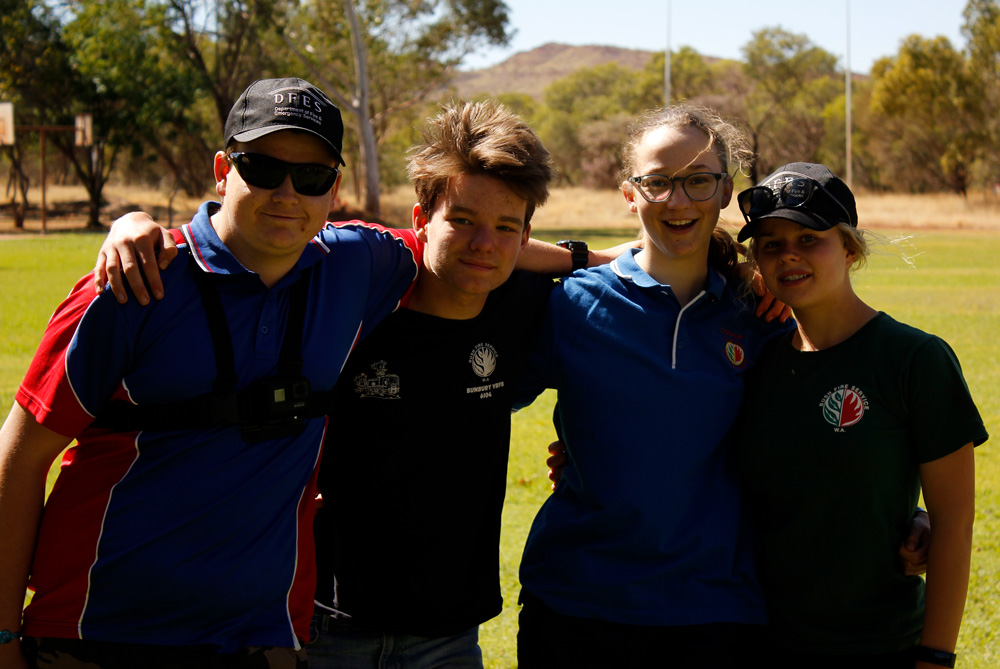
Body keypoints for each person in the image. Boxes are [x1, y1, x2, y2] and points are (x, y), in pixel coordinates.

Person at [88, 100, 637, 668]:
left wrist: (588, 456)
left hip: (451, 634)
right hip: (320, 624)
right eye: (463, 220)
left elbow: (625, 363)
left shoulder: (528, 307)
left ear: (525, 236)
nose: (483, 244)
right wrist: (135, 227)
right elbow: (243, 251)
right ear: (421, 222)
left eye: (505, 229)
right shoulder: (350, 297)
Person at [0, 77, 426, 669]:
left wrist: (593, 258)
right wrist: (1, 637)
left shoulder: (357, 265)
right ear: (223, 169)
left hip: (258, 638)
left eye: (312, 177)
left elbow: (473, 241)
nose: (287, 193)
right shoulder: (133, 283)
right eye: (263, 168)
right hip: (95, 633)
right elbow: (19, 457)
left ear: (334, 188)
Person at [511, 103, 796, 667]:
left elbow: (828, 432)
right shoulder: (570, 303)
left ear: (724, 191)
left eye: (697, 181)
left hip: (714, 611)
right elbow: (466, 403)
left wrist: (907, 515)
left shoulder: (760, 315)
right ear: (629, 193)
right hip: (576, 602)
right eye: (658, 182)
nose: (678, 200)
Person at [735, 162, 986, 669]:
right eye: (771, 242)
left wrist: (936, 656)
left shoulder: (914, 359)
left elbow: (953, 525)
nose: (789, 255)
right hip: (756, 638)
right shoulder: (753, 361)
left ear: (850, 249)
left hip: (879, 645)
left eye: (809, 240)